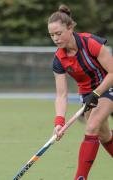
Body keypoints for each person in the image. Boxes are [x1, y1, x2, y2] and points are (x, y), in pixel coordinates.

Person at [48, 4, 113, 180]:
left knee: (91, 127)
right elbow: (61, 95)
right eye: (52, 35)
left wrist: (97, 93)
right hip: (88, 94)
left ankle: (80, 178)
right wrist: (59, 121)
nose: (55, 38)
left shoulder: (90, 43)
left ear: (70, 28)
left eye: (58, 33)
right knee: (104, 135)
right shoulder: (58, 60)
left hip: (108, 85)